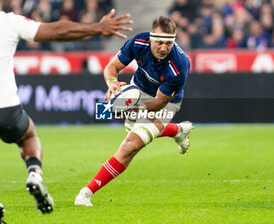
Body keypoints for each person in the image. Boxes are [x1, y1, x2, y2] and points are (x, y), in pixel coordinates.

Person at [0, 0, 132, 223]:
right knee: (27, 135)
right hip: (6, 107)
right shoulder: (7, 20)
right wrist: (97, 28)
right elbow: (56, 31)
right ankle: (34, 174)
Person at [75, 16, 193, 206]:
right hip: (137, 89)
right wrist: (112, 83)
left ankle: (86, 193)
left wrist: (131, 109)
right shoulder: (138, 42)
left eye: (168, 43)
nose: (163, 48)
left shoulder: (179, 66)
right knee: (136, 133)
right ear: (151, 38)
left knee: (131, 145)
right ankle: (178, 131)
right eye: (159, 42)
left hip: (164, 103)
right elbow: (111, 67)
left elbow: (159, 103)